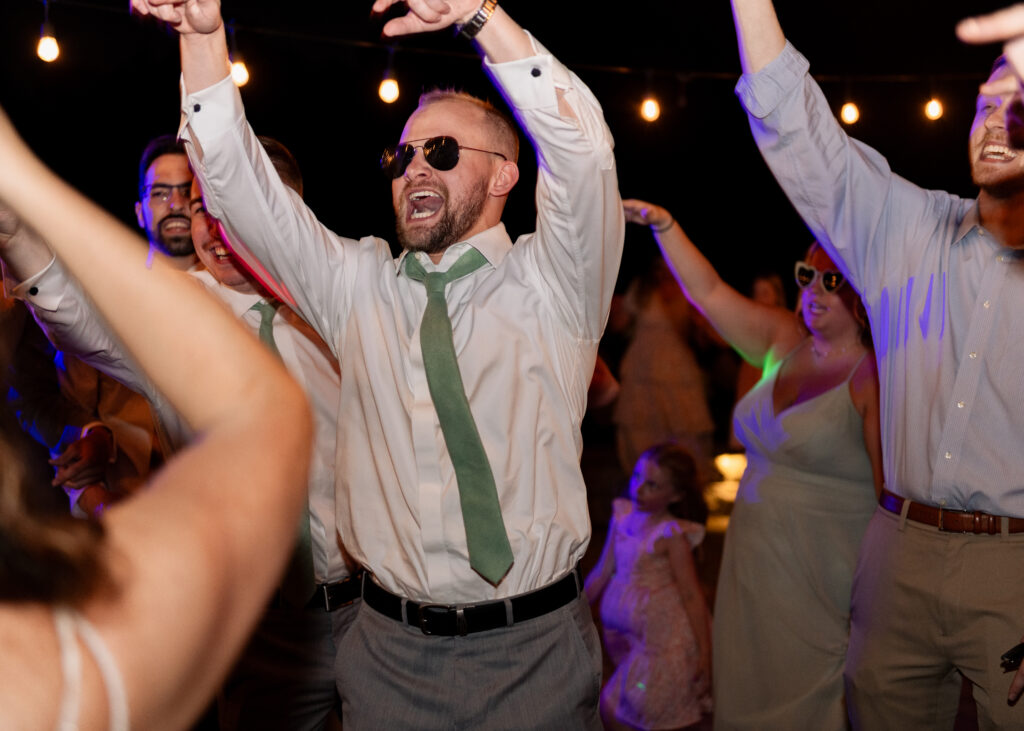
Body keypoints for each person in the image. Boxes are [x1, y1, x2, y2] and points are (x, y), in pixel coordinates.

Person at [131, 0, 624, 726]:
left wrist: (484, 18)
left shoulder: (554, 282)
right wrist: (202, 42)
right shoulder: (357, 287)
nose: (414, 166)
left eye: (443, 152)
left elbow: (582, 153)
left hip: (537, 653)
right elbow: (245, 196)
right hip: (389, 658)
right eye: (402, 156)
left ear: (503, 178)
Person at [730, 0, 1024, 725]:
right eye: (986, 104)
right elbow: (797, 127)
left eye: (1019, 107)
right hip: (898, 546)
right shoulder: (906, 228)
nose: (994, 121)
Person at [1, 139, 357, 730]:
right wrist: (16, 233)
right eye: (201, 211)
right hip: (258, 626)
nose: (214, 232)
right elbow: (79, 314)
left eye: (234, 212)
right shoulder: (180, 315)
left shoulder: (343, 306)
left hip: (373, 617)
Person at [623, 199, 882, 729]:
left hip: (826, 577)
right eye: (807, 276)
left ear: (860, 290)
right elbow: (709, 293)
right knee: (746, 694)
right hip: (752, 568)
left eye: (830, 281)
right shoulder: (782, 342)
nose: (813, 291)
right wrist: (667, 227)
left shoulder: (874, 377)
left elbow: (890, 493)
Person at [584, 441, 713, 731]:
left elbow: (692, 595)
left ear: (676, 496)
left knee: (622, 710)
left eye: (653, 485)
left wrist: (706, 654)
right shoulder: (623, 515)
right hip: (631, 639)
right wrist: (576, 609)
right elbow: (603, 571)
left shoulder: (670, 534)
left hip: (666, 642)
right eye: (637, 476)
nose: (639, 488)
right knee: (622, 708)